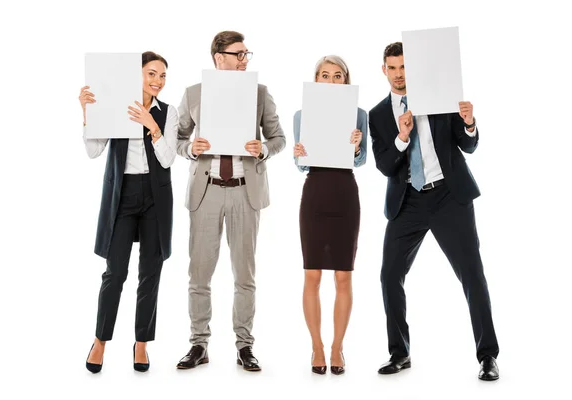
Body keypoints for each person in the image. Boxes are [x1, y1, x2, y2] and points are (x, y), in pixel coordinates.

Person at [369, 42, 500, 381]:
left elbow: (467, 145)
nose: (399, 75)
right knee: (389, 276)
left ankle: (488, 356)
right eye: (393, 68)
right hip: (407, 201)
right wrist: (401, 137)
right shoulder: (378, 115)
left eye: (404, 68)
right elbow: (385, 165)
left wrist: (470, 124)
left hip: (448, 197)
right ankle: (400, 353)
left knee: (472, 275)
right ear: (384, 70)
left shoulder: (440, 99)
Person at [175, 31, 286, 372]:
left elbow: (279, 138)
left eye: (247, 54)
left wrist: (263, 149)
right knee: (199, 273)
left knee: (244, 274)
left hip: (244, 190)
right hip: (206, 190)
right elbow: (177, 138)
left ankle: (244, 345)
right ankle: (198, 343)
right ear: (218, 57)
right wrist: (190, 149)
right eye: (238, 54)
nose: (244, 60)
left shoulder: (260, 93)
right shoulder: (194, 94)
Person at [79, 51, 178, 373]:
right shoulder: (115, 106)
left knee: (150, 272)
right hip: (122, 196)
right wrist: (87, 113)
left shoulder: (168, 112)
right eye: (151, 74)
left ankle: (141, 344)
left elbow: (167, 160)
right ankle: (100, 341)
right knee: (115, 273)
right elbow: (94, 151)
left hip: (155, 197)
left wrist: (153, 127)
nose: (157, 82)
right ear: (136, 75)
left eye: (162, 76)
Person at [293, 55, 367, 375]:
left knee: (343, 275)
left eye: (338, 75)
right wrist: (299, 154)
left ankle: (337, 347)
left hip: (345, 193)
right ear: (317, 80)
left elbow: (362, 162)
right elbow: (301, 166)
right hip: (315, 193)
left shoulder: (359, 114)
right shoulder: (302, 114)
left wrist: (355, 148)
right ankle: (317, 347)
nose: (331, 80)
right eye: (325, 75)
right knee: (312, 274)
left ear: (345, 81)